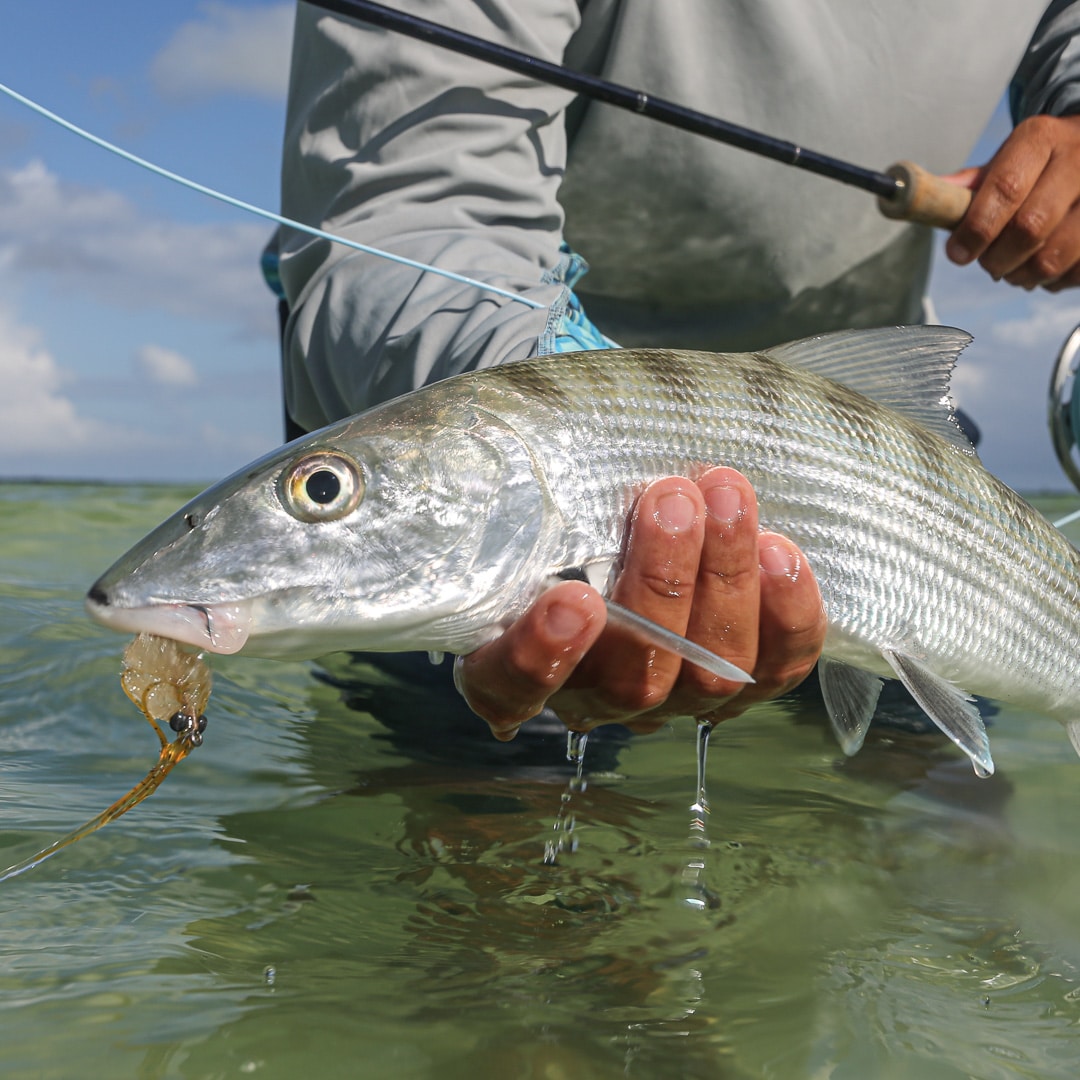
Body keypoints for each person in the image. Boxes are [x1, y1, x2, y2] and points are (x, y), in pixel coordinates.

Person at [272, 0, 1080, 741]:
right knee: (481, 842)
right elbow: (408, 205)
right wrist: (579, 432)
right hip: (485, 365)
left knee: (936, 839)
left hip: (878, 450)